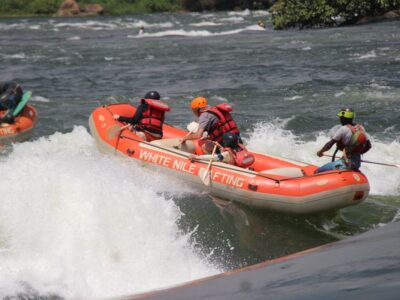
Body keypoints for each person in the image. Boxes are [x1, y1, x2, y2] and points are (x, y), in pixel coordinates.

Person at [315, 108, 372, 173]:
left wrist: (320, 152)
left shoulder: (343, 129)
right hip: (356, 164)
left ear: (343, 118)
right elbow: (369, 146)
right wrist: (356, 152)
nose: (340, 119)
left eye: (341, 118)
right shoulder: (361, 128)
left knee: (317, 171)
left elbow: (329, 144)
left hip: (345, 164)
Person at [189, 132, 255, 168]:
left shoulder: (227, 154)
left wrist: (197, 157)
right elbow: (226, 153)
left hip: (232, 169)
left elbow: (214, 157)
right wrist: (220, 147)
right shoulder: (241, 148)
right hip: (243, 167)